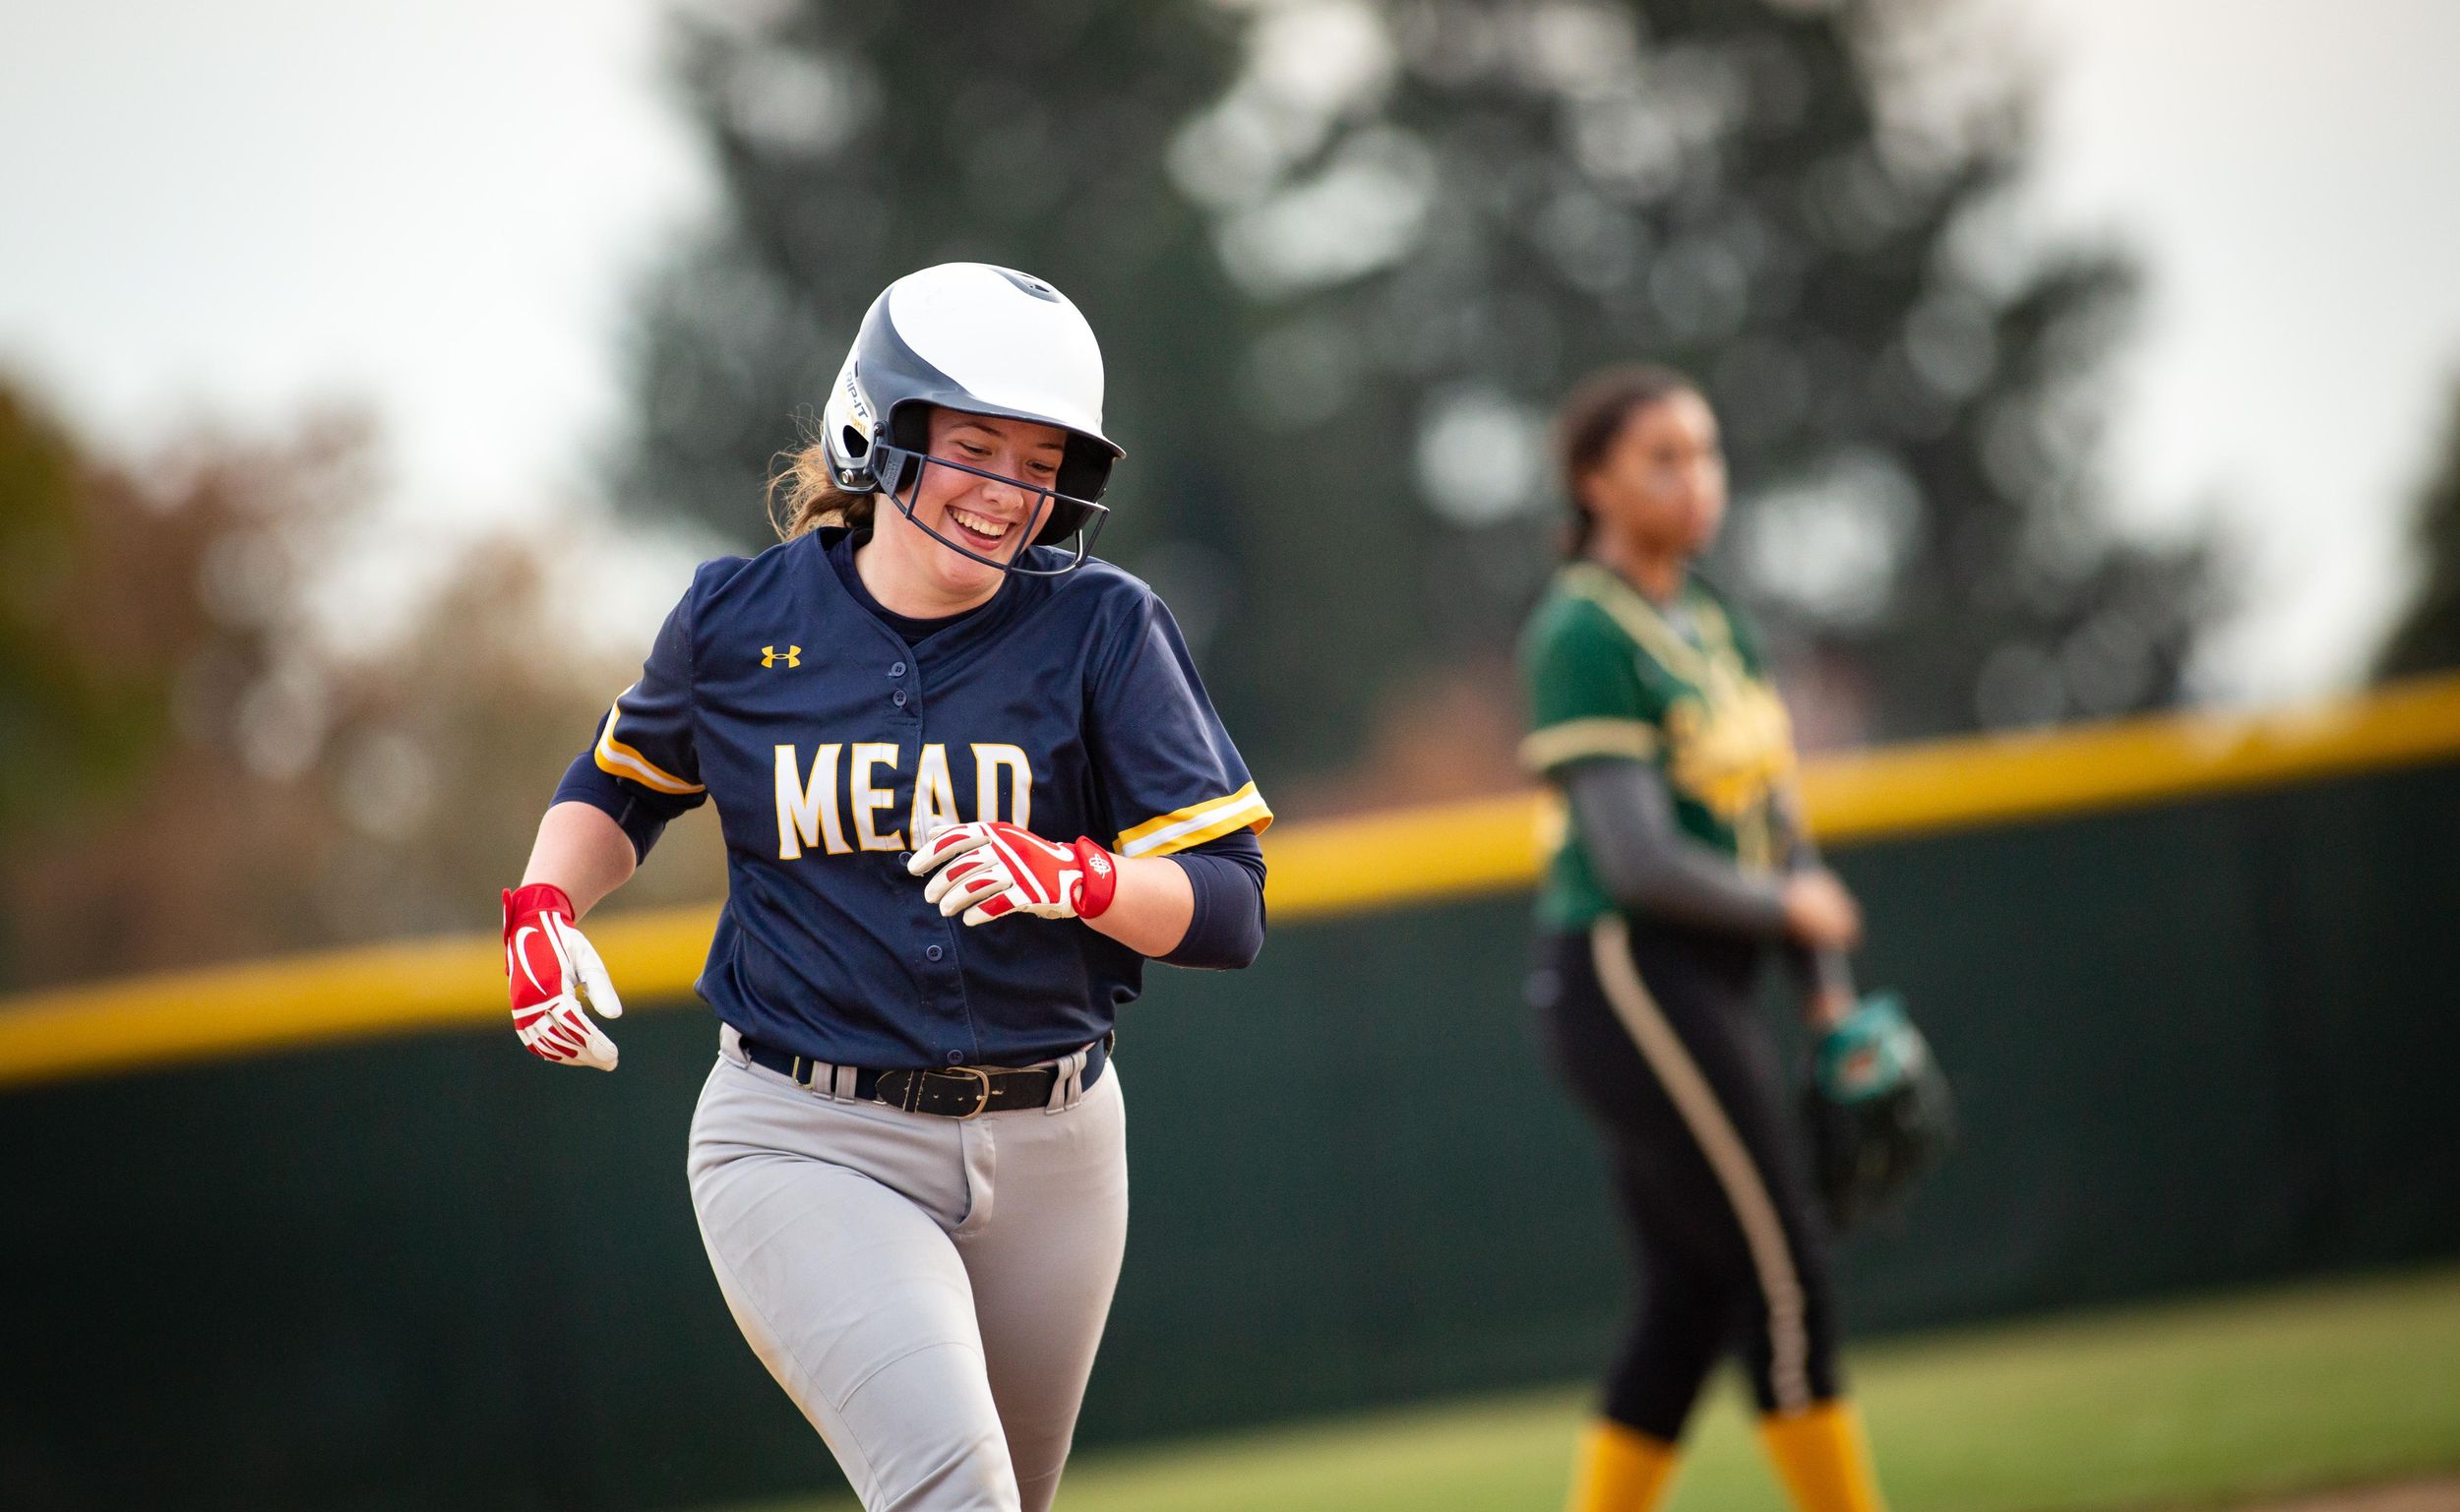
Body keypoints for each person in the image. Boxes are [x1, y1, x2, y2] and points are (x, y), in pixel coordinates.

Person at [500, 263, 1271, 1512]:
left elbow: (1230, 908)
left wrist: (1074, 876)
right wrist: (539, 906)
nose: (1008, 490)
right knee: (950, 1497)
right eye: (973, 445)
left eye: (1038, 459)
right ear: (878, 428)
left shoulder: (1104, 628)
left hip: (1057, 1141)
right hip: (806, 1133)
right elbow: (622, 785)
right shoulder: (738, 618)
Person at [1518, 366, 1888, 1512]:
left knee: (1690, 1293)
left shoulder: (1714, 616)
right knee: (1784, 1275)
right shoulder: (1581, 626)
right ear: (1594, 482)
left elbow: (1778, 815)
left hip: (1710, 979)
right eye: (1661, 459)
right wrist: (1791, 912)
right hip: (1628, 973)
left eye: (1706, 453)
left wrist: (1822, 985)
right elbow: (1637, 860)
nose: (1695, 480)